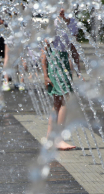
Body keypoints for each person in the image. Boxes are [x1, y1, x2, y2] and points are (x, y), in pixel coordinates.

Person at [41, 8, 80, 151]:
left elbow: (74, 48)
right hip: (55, 61)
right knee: (65, 99)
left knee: (58, 102)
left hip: (64, 63)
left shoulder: (73, 23)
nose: (62, 9)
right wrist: (45, 75)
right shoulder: (54, 24)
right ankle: (59, 139)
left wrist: (77, 66)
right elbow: (44, 51)